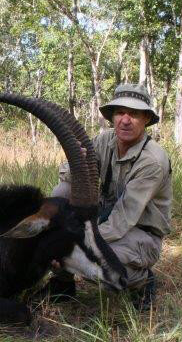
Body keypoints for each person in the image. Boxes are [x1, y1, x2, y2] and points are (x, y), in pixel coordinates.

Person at [45, 83, 172, 310]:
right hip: (104, 219)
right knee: (62, 193)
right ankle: (62, 284)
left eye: (133, 114)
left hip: (138, 233)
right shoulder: (104, 141)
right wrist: (78, 162)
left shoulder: (152, 161)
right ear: (112, 117)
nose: (125, 119)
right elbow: (66, 177)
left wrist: (72, 244)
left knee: (95, 263)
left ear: (146, 119)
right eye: (120, 112)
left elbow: (122, 220)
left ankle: (142, 281)